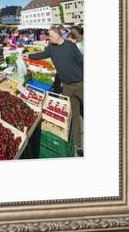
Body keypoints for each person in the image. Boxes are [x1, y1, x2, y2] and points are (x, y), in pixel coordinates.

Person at [23, 25, 84, 156]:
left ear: (58, 35)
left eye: (50, 36)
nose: (48, 38)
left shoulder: (70, 46)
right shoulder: (51, 48)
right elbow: (42, 54)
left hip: (80, 84)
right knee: (73, 114)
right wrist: (30, 55)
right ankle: (78, 144)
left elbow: (81, 62)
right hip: (66, 86)